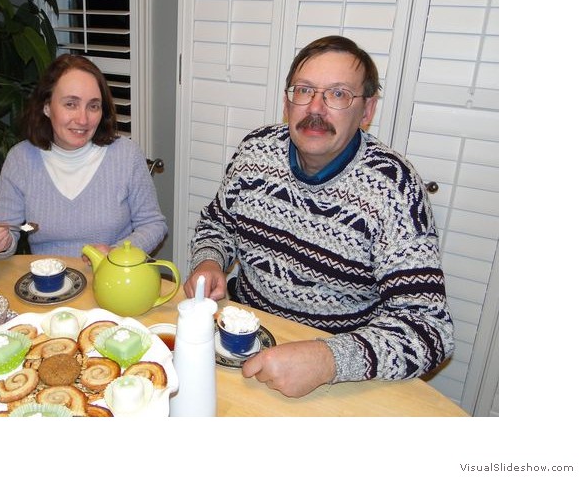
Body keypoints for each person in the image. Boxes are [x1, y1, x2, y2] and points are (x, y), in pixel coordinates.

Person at [184, 35, 454, 398]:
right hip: (243, 343)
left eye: (338, 94)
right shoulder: (254, 151)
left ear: (367, 110)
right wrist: (209, 261)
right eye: (304, 90)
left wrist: (329, 360)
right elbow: (218, 225)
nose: (316, 108)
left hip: (336, 372)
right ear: (287, 101)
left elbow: (430, 328)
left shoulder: (394, 188)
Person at [0, 54, 167, 259]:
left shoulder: (126, 155)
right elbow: (9, 232)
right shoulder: (20, 159)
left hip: (115, 281)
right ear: (47, 107)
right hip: (48, 285)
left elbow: (153, 224)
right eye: (71, 104)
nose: (83, 119)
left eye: (93, 106)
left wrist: (116, 253)